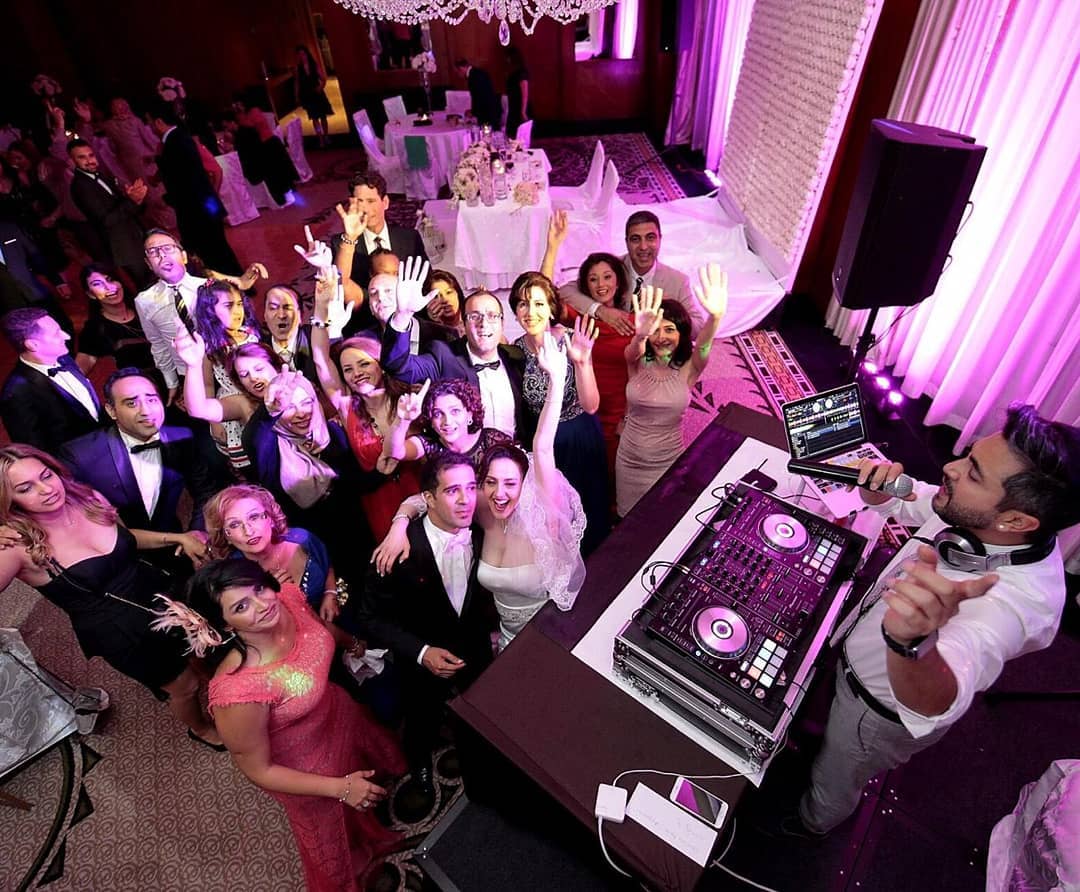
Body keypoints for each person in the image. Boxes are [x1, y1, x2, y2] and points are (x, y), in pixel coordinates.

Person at [791, 405, 1079, 838]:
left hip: (874, 712)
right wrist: (879, 494)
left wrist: (914, 643)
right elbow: (915, 502)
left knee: (834, 779)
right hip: (853, 654)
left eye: (973, 473)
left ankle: (810, 825)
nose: (950, 467)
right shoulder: (973, 511)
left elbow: (942, 700)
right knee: (823, 731)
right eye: (969, 455)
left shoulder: (1020, 605)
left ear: (1016, 521)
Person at [168, 559, 405, 888]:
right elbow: (259, 770)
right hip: (308, 771)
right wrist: (341, 788)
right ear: (225, 626)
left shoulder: (288, 599)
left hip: (340, 716)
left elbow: (321, 630)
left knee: (368, 788)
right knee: (333, 841)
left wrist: (353, 643)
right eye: (241, 606)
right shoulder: (238, 692)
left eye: (259, 588)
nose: (263, 604)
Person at [0, 444, 222, 749]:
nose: (46, 489)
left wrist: (177, 538)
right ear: (9, 499)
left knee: (200, 649)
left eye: (46, 475)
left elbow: (127, 538)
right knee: (185, 686)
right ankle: (201, 729)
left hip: (156, 589)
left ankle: (220, 690)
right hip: (121, 630)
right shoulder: (16, 545)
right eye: (25, 488)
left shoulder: (86, 497)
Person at [378, 332, 585, 649]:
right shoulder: (482, 508)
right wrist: (399, 523)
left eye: (510, 484)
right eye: (490, 482)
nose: (500, 493)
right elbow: (422, 497)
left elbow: (543, 447)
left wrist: (557, 379)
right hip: (506, 638)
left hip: (554, 636)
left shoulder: (542, 512)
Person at [359, 452, 498, 797]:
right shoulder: (396, 551)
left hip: (475, 647)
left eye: (471, 487)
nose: (466, 500)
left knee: (482, 710)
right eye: (452, 491)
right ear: (428, 499)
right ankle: (419, 761)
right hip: (420, 660)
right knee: (422, 718)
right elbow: (370, 618)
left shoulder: (484, 530)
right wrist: (422, 653)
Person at [58, 368, 216, 576]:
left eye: (151, 399)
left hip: (174, 549)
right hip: (114, 561)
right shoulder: (80, 456)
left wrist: (197, 532)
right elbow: (76, 521)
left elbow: (205, 491)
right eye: (131, 403)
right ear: (112, 411)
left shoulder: (182, 438)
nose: (146, 411)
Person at [308, 264, 422, 540]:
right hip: (380, 505)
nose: (356, 373)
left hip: (424, 494)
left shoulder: (408, 396)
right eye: (348, 369)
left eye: (363, 364)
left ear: (380, 364)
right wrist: (321, 307)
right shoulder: (346, 405)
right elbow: (321, 359)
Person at [615, 268, 728, 516]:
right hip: (629, 458)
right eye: (655, 330)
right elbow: (633, 351)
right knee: (626, 519)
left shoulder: (691, 366)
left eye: (669, 330)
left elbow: (704, 346)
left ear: (681, 334)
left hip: (666, 460)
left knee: (661, 518)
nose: (661, 337)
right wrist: (641, 335)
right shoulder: (637, 359)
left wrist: (715, 318)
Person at [379, 260, 530, 445]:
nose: (483, 324)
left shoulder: (516, 357)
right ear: (464, 324)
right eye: (474, 316)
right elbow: (397, 366)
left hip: (513, 454)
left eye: (492, 316)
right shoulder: (443, 356)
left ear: (502, 323)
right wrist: (402, 316)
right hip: (465, 458)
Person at [509, 270, 607, 554]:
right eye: (523, 304)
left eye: (539, 303)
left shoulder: (571, 340)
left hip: (579, 434)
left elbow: (591, 405)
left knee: (589, 509)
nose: (531, 312)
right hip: (544, 444)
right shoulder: (515, 351)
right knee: (555, 518)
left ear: (551, 309)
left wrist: (582, 362)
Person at [134, 228, 266, 404]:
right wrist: (172, 383)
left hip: (224, 365)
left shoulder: (210, 288)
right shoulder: (144, 301)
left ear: (184, 256)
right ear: (148, 264)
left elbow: (238, 318)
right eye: (153, 252)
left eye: (167, 248)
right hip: (187, 373)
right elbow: (157, 343)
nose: (162, 255)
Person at [205, 484, 342, 622]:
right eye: (234, 525)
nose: (248, 531)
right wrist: (272, 593)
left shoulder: (302, 539)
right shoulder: (235, 576)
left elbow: (326, 563)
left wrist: (330, 593)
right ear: (225, 536)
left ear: (270, 517)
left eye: (254, 517)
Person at [560, 210, 706, 338]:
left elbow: (699, 328)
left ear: (660, 239)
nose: (643, 247)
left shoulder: (678, 281)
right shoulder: (612, 268)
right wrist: (600, 310)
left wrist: (666, 313)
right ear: (626, 242)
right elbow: (565, 291)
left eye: (650, 238)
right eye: (635, 239)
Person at [148, 100, 242, 275]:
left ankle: (233, 283)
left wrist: (168, 198)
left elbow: (185, 179)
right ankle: (234, 281)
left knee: (214, 251)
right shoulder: (178, 138)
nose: (150, 127)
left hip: (197, 209)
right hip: (205, 204)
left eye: (150, 122)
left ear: (159, 122)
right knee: (217, 248)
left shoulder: (175, 142)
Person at [0, 307, 106, 453]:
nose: (66, 336)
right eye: (56, 333)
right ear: (32, 345)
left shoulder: (63, 357)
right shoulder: (16, 393)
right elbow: (35, 451)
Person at [330, 173, 427, 322]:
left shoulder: (409, 238)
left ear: (385, 202)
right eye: (359, 201)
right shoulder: (342, 244)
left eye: (371, 201)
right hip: (366, 320)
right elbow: (339, 284)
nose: (365, 209)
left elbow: (426, 281)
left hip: (410, 316)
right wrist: (350, 237)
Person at [67, 138, 154, 291]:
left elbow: (120, 207)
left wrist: (133, 199)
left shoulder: (101, 176)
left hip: (135, 238)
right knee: (147, 286)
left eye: (91, 155)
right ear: (72, 160)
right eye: (82, 157)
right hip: (124, 246)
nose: (89, 160)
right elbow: (106, 220)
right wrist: (132, 201)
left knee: (155, 278)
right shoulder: (80, 186)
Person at [194, 279, 262, 473]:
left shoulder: (251, 334)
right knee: (247, 458)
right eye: (229, 305)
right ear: (210, 311)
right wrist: (214, 421)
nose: (237, 311)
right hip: (231, 404)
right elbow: (207, 385)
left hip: (259, 396)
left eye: (239, 304)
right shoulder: (209, 346)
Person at [385, 377, 514, 473]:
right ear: (431, 421)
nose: (447, 421)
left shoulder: (491, 440)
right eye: (437, 414)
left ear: (470, 414)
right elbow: (394, 452)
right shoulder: (430, 445)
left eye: (455, 411)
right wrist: (403, 419)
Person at [74, 263, 156, 375]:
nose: (108, 287)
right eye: (97, 284)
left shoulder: (145, 307)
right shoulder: (95, 329)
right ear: (90, 294)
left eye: (110, 280)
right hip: (143, 382)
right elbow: (80, 368)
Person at [262, 285, 318, 384]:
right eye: (273, 308)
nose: (281, 315)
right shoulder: (260, 350)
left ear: (301, 315)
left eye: (287, 308)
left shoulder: (315, 339)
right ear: (265, 315)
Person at [294, 45, 333, 148]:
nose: (301, 56)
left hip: (317, 93)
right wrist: (296, 95)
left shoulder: (314, 65)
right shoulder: (298, 68)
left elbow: (323, 79)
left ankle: (326, 136)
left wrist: (320, 87)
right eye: (299, 54)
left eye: (303, 54)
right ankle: (320, 139)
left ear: (307, 54)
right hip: (307, 95)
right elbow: (297, 83)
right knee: (314, 118)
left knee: (323, 116)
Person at [453, 58, 501, 130]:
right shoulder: (477, 72)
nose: (458, 75)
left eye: (457, 72)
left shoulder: (473, 76)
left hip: (487, 112)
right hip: (490, 109)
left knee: (487, 133)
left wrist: (473, 112)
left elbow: (478, 97)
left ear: (461, 68)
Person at [422, 269, 466, 336]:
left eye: (449, 292)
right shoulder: (428, 332)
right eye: (436, 296)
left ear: (457, 293)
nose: (445, 299)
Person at [504, 46, 530, 138]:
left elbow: (525, 93)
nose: (507, 60)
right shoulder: (514, 72)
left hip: (519, 107)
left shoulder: (521, 72)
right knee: (511, 133)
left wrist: (523, 111)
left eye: (508, 57)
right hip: (513, 107)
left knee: (518, 134)